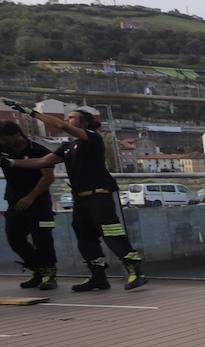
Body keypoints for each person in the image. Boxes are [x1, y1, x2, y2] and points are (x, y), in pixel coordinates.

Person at [0, 100, 147, 291]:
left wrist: (31, 113)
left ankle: (135, 271)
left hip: (99, 196)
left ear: (84, 123)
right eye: (68, 117)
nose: (68, 119)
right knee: (84, 237)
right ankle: (98, 276)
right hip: (81, 199)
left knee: (111, 233)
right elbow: (42, 162)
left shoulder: (92, 139)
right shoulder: (68, 147)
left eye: (73, 117)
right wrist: (12, 163)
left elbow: (60, 125)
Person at [0, 120, 58, 290]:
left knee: (43, 239)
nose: (2, 143)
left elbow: (48, 177)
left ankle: (49, 274)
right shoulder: (3, 150)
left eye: (4, 139)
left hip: (38, 203)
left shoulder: (39, 151)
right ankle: (37, 270)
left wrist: (30, 197)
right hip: (14, 203)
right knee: (14, 239)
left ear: (16, 134)